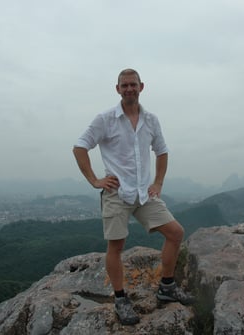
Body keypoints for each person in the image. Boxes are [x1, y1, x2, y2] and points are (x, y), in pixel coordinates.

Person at [73, 68, 194, 325]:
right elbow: (80, 146)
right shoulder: (105, 119)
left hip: (143, 193)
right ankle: (120, 299)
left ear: (142, 87)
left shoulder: (151, 120)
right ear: (117, 89)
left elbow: (162, 151)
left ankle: (167, 286)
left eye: (133, 84)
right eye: (124, 85)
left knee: (175, 232)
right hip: (116, 193)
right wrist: (95, 180)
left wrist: (158, 182)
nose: (129, 89)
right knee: (116, 246)